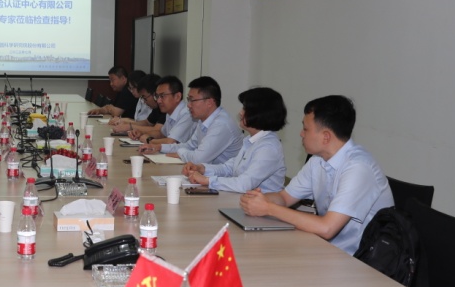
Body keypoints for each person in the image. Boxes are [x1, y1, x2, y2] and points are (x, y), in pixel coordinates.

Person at [240, 95, 394, 254]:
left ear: (326, 137)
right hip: (326, 248)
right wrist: (257, 199)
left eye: (306, 129)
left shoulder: (359, 168)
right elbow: (284, 198)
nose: (301, 134)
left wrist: (268, 208)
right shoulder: (317, 160)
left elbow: (327, 228)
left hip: (356, 259)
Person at [183, 87, 288, 193]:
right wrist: (202, 168)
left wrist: (208, 180)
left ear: (261, 113)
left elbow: (244, 184)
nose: (241, 113)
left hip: (262, 202)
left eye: (245, 109)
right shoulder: (250, 140)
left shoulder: (269, 148)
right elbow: (230, 168)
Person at [139, 76, 241, 164]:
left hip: (222, 178)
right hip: (205, 173)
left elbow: (198, 158)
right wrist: (159, 147)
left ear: (209, 102)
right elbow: (189, 146)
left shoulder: (221, 124)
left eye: (192, 100)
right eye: (189, 100)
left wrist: (179, 153)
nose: (188, 105)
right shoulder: (203, 120)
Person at [128, 75, 195, 145]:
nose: (158, 101)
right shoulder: (170, 112)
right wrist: (142, 133)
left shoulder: (187, 114)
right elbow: (161, 133)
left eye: (162, 96)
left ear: (177, 96)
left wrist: (149, 140)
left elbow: (171, 142)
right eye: (157, 96)